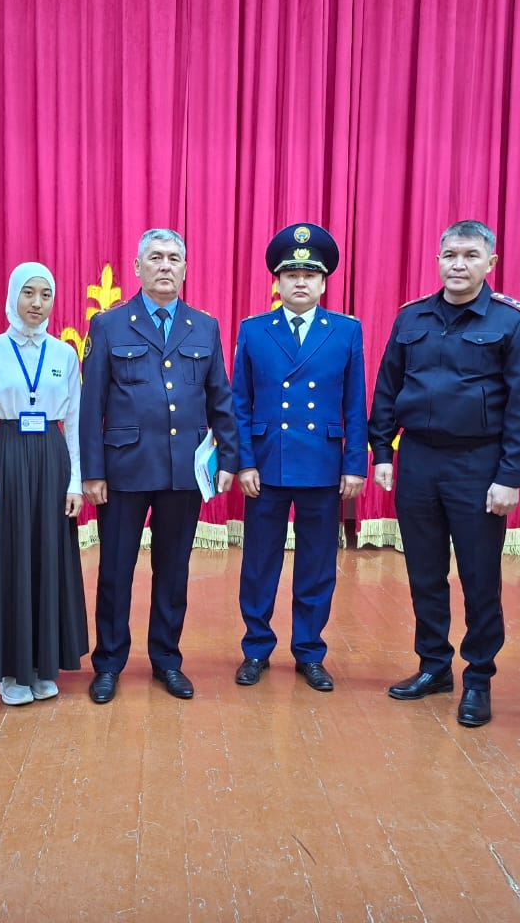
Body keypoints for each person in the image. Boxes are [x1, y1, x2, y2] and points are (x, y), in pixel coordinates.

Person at [368, 219, 520, 726]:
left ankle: (479, 678)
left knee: (479, 576)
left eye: (470, 256)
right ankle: (434, 666)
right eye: (450, 255)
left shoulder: (513, 322)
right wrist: (382, 452)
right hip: (419, 459)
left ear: (491, 263)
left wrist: (510, 476)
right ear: (438, 260)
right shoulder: (412, 317)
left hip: (478, 464)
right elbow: (387, 387)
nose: (458, 265)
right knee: (424, 573)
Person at [79, 228, 239, 703]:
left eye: (173, 258)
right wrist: (92, 472)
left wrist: (229, 457)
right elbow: (91, 405)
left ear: (185, 268)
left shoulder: (204, 327)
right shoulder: (109, 325)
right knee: (115, 571)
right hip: (124, 470)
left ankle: (167, 660)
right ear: (137, 267)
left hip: (182, 471)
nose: (165, 265)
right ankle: (109, 663)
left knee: (173, 571)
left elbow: (220, 398)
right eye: (155, 257)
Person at [230, 223, 368, 692]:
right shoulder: (254, 330)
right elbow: (240, 402)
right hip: (266, 464)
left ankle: (309, 651)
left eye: (310, 274)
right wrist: (245, 461)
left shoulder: (346, 331)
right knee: (259, 563)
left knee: (316, 564)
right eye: (292, 274)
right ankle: (256, 648)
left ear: (324, 282)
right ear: (278, 281)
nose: (301, 282)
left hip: (323, 466)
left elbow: (355, 405)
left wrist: (354, 465)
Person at [0, 262, 89, 705]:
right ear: (13, 296)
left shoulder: (64, 354)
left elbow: (74, 424)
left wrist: (75, 483)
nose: (37, 303)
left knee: (48, 556)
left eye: (46, 294)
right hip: (8, 455)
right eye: (28, 293)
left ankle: (42, 664)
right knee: (10, 556)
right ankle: (9, 669)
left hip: (51, 458)